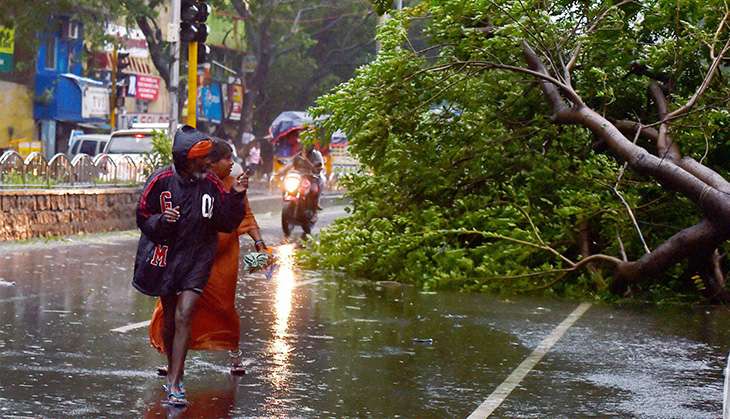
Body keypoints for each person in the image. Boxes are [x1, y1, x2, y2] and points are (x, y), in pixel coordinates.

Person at [132, 126, 248, 407]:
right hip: (167, 258)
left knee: (186, 313)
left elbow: (225, 221)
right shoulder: (160, 180)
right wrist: (162, 220)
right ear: (187, 160)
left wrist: (236, 196)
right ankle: (174, 368)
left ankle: (175, 383)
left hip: (198, 258)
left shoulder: (211, 184)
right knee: (171, 316)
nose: (208, 163)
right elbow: (143, 216)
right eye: (202, 159)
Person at [148, 139, 266, 377]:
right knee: (173, 309)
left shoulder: (233, 185)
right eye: (227, 159)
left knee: (223, 307)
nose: (232, 164)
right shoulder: (191, 183)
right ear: (211, 162)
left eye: (232, 159)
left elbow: (246, 215)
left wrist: (259, 243)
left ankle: (234, 354)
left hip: (221, 260)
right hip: (189, 255)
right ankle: (172, 360)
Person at [277, 144, 325, 211]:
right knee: (285, 184)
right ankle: (285, 198)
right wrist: (280, 172)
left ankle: (316, 203)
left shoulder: (316, 155)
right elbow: (289, 164)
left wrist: (306, 160)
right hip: (298, 177)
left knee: (316, 188)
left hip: (310, 177)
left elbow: (318, 168)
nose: (306, 148)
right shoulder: (298, 155)